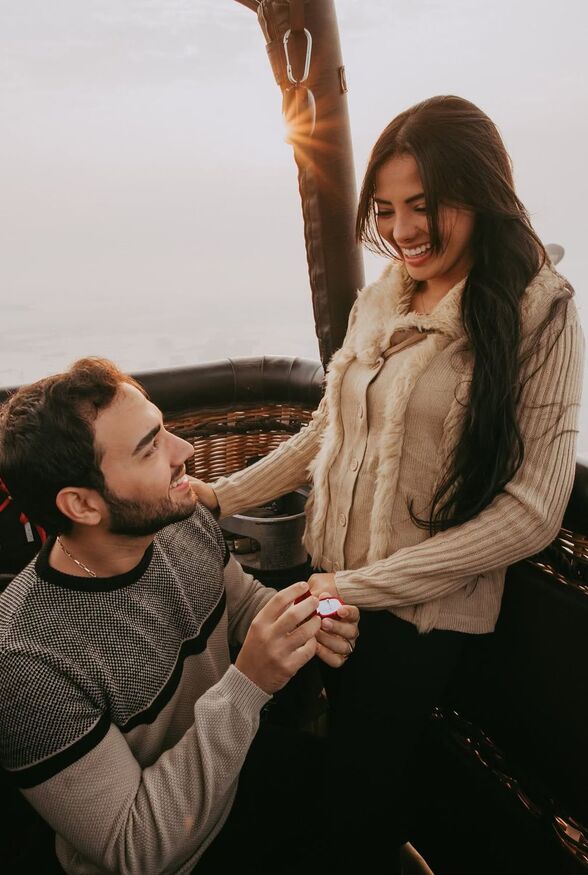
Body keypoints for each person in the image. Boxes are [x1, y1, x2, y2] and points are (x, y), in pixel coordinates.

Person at [190, 94, 585, 871]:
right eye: (387, 208)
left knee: (359, 803)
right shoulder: (390, 291)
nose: (403, 230)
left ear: (480, 192)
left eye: (425, 206)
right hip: (331, 579)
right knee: (295, 767)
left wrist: (362, 588)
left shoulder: (541, 311)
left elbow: (536, 512)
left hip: (416, 615)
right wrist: (218, 495)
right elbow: (328, 424)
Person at [0, 357, 359, 875]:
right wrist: (248, 683)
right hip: (179, 859)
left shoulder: (179, 521)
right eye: (150, 447)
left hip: (241, 775)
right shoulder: (21, 666)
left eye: (164, 430)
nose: (185, 452)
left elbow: (241, 605)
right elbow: (138, 850)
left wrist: (312, 620)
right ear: (83, 505)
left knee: (369, 799)